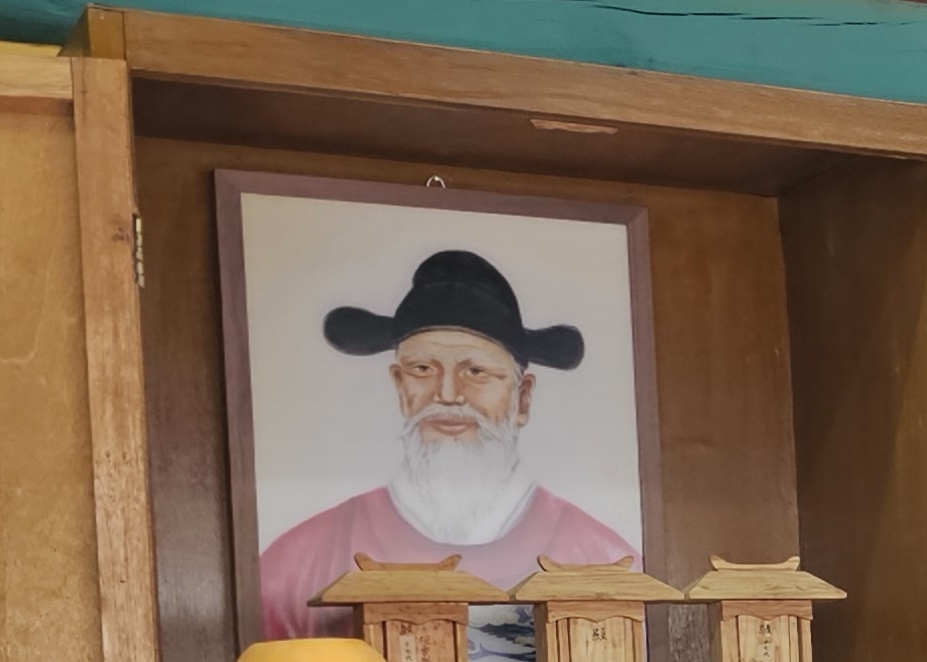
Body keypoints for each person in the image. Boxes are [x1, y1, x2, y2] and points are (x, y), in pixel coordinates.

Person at [258, 250, 640, 637]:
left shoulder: (602, 558)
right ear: (400, 387)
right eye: (422, 369)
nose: (447, 394)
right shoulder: (296, 565)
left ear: (522, 398)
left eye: (475, 371)